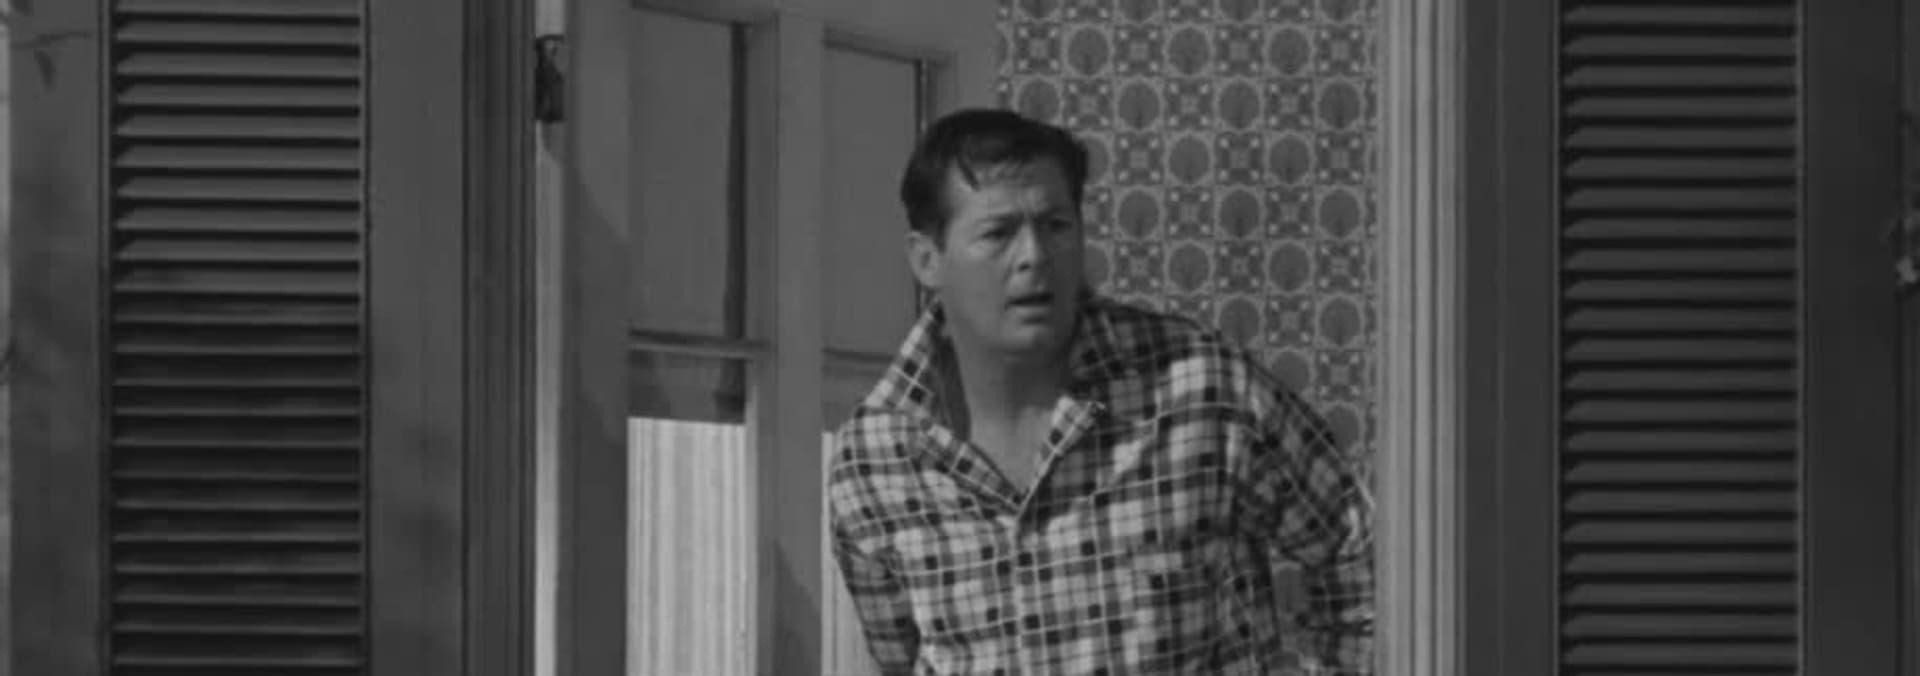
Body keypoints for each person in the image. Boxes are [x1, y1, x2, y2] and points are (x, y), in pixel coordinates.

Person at [826, 108, 1374, 675]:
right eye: (998, 233)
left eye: (1056, 225)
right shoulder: (875, 459)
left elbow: (1359, 550)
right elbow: (899, 658)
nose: (1035, 256)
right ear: (927, 260)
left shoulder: (1199, 388)